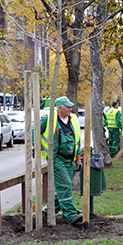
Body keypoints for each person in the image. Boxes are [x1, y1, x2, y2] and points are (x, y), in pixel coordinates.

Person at [38, 96, 83, 227]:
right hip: (56, 158)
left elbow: (77, 140)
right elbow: (34, 130)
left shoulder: (73, 119)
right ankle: (71, 214)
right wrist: (35, 145)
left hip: (69, 159)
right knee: (65, 185)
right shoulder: (48, 119)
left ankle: (47, 212)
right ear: (59, 108)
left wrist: (78, 157)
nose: (70, 109)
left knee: (65, 187)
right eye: (67, 106)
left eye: (70, 106)